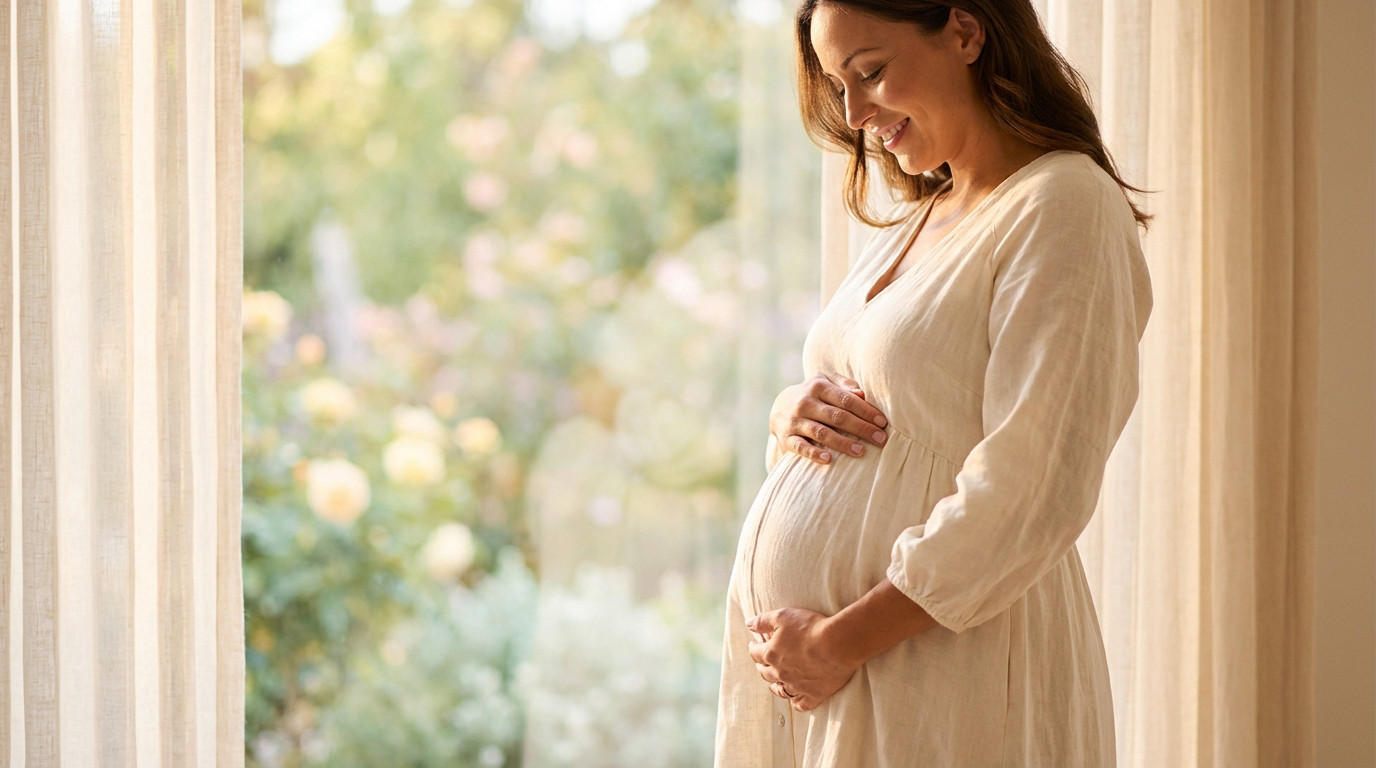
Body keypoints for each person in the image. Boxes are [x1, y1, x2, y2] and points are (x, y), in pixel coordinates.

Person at [714, 1, 1152, 766]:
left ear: (965, 30)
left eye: (871, 72)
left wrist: (836, 641)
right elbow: (898, 412)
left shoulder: (1064, 206)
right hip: (835, 675)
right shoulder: (922, 216)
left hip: (940, 663)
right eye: (836, 85)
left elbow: (1034, 484)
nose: (854, 114)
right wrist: (792, 415)